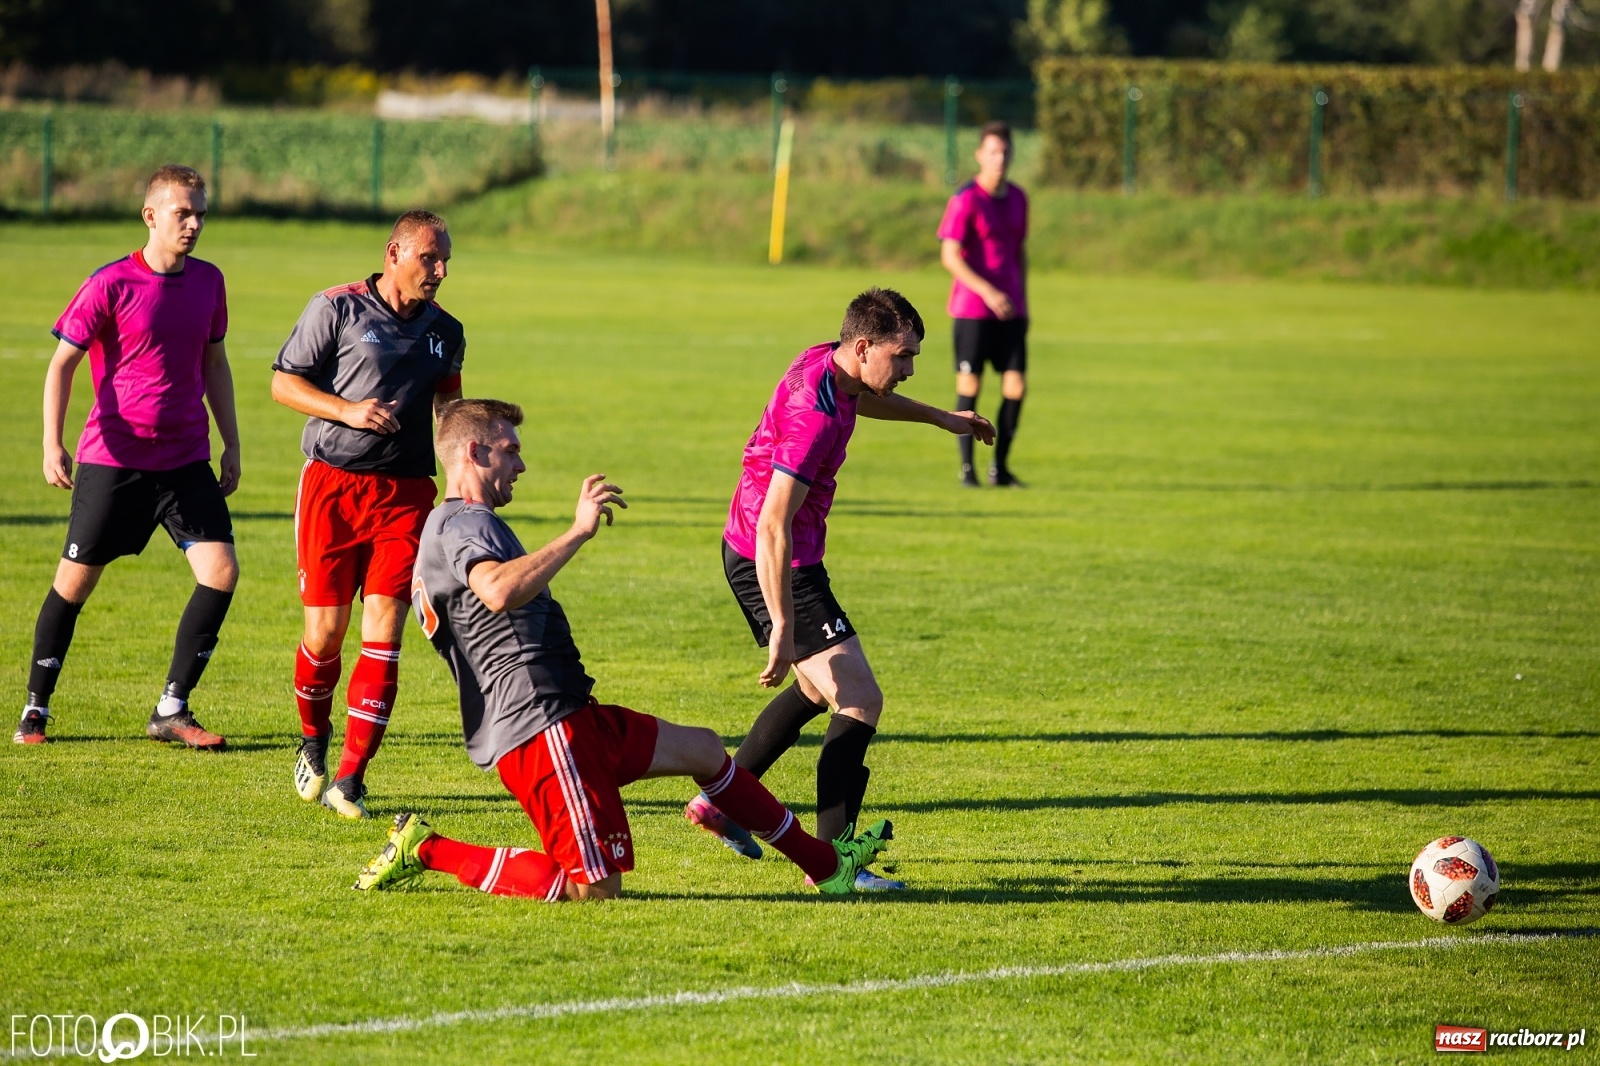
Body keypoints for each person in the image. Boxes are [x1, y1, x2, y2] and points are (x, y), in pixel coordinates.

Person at [354, 399, 892, 899]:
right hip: (540, 724)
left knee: (705, 750)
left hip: (567, 712)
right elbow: (496, 590)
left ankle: (827, 866)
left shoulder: (451, 524)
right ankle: (427, 848)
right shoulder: (464, 523)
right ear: (474, 452)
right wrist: (577, 532)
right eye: (510, 451)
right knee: (594, 891)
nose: (520, 465)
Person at [683, 288, 993, 890]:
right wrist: (781, 622)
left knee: (813, 687)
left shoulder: (826, 360)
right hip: (775, 559)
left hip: (770, 548)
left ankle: (720, 802)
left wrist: (941, 418)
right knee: (859, 699)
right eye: (902, 357)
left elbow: (864, 397)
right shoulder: (814, 418)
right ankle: (834, 866)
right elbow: (774, 524)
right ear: (864, 346)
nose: (908, 369)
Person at [14, 165, 239, 750]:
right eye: (182, 213)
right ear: (150, 216)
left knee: (221, 573)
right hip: (115, 462)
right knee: (74, 583)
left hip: (186, 459)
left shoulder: (210, 282)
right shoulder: (110, 283)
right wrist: (52, 442)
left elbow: (215, 364)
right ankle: (36, 708)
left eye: (201, 214)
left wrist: (232, 442)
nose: (193, 224)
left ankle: (172, 708)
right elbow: (61, 365)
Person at [270, 210, 464, 818]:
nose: (440, 270)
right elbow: (283, 384)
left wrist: (463, 481)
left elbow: (449, 415)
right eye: (430, 258)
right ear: (394, 251)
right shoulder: (336, 307)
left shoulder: (447, 330)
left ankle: (351, 778)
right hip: (331, 489)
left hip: (406, 498)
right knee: (324, 636)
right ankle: (313, 741)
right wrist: (347, 411)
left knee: (384, 632)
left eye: (446, 261)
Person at [938, 120, 1029, 488]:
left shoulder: (1019, 198)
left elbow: (1019, 252)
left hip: (1012, 311)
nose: (999, 159)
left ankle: (1000, 468)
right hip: (973, 310)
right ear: (980, 155)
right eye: (993, 152)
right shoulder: (966, 198)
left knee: (1016, 386)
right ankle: (967, 470)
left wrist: (1024, 302)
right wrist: (988, 292)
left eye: (1005, 152)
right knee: (970, 384)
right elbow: (950, 255)